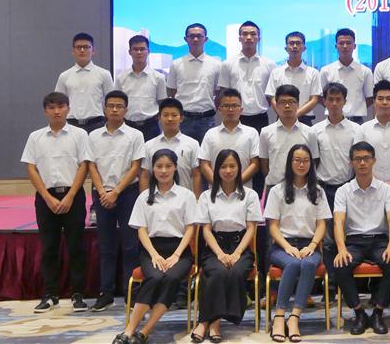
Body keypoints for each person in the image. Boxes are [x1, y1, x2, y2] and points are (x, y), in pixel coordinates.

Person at [115, 149, 199, 344]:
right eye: (159, 166)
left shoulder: (186, 196)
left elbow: (190, 229)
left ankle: (144, 331)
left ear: (175, 168)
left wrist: (176, 255)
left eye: (168, 166)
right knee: (154, 277)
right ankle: (128, 331)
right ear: (152, 169)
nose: (163, 170)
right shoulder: (144, 197)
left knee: (171, 278)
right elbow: (141, 230)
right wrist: (153, 254)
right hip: (151, 250)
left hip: (179, 251)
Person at [21, 91, 93, 313]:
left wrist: (70, 196)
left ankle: (78, 294)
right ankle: (50, 294)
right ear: (45, 111)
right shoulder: (35, 137)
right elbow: (31, 168)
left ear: (68, 109)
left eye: (61, 106)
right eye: (52, 107)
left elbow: (84, 165)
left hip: (73, 196)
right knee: (49, 247)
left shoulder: (79, 135)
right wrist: (47, 197)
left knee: (76, 246)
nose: (57, 111)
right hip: (46, 198)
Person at [192, 149, 264, 342]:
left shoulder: (250, 195)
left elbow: (251, 229)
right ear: (216, 170)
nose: (228, 170)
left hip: (241, 246)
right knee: (217, 272)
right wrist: (220, 254)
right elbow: (206, 230)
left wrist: (237, 253)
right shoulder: (207, 196)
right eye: (223, 166)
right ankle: (211, 324)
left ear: (239, 168)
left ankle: (206, 322)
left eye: (232, 166)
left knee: (235, 272)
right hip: (214, 246)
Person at [262, 144, 331, 343]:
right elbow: (272, 226)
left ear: (311, 164)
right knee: (292, 263)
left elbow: (321, 224)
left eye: (306, 161)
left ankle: (294, 318)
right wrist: (287, 247)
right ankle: (279, 317)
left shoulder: (318, 191)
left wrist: (312, 246)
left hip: (309, 244)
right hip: (282, 246)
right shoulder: (277, 190)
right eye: (297, 160)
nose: (302, 164)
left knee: (308, 264)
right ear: (290, 163)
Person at [332, 142, 390, 335]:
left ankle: (378, 312)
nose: (362, 163)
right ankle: (359, 313)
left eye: (366, 159)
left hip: (380, 240)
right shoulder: (343, 191)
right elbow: (338, 222)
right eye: (357, 159)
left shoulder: (386, 189)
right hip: (354, 241)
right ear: (351, 162)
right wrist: (341, 249)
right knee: (340, 265)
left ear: (373, 161)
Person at [87, 90, 145, 312]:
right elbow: (91, 165)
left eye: (119, 106)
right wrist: (103, 191)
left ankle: (132, 293)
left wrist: (116, 191)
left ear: (126, 109)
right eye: (110, 105)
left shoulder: (135, 135)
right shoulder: (93, 136)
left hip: (127, 194)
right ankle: (106, 293)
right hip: (102, 194)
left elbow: (136, 167)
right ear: (104, 109)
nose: (114, 110)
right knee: (106, 246)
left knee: (130, 245)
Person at [166, 23, 221, 143]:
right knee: (182, 152)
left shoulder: (216, 64)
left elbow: (218, 93)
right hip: (183, 119)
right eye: (192, 36)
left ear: (206, 39)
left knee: (206, 153)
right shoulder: (176, 64)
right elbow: (173, 91)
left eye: (199, 36)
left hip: (207, 119)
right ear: (186, 39)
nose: (195, 39)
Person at [259, 85, 320, 192]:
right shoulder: (266, 132)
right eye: (282, 102)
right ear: (276, 105)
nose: (287, 106)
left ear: (298, 104)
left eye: (291, 102)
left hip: (301, 188)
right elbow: (264, 164)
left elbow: (314, 161)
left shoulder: (310, 132)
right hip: (274, 187)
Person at [219, 20, 276, 132]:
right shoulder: (228, 64)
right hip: (235, 117)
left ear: (259, 38)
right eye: (245, 34)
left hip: (261, 117)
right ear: (239, 38)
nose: (249, 37)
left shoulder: (269, 64)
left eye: (253, 34)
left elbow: (272, 94)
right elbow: (223, 92)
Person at [199, 88, 260, 189]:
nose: (230, 110)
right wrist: (218, 185)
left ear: (241, 109)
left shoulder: (251, 133)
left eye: (234, 106)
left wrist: (236, 184)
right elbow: (204, 164)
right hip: (215, 191)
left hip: (244, 190)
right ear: (220, 109)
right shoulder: (210, 134)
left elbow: (255, 163)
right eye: (226, 106)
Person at [312, 82, 360, 209]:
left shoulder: (356, 130)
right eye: (330, 99)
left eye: (338, 99)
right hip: (322, 188)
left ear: (345, 102)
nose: (334, 103)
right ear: (324, 101)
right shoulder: (315, 131)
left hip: (348, 187)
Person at [141, 98, 202, 196]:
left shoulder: (192, 144)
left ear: (181, 118)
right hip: (156, 199)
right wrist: (144, 199)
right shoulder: (149, 145)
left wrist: (197, 199)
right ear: (159, 118)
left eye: (174, 115)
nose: (170, 119)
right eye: (165, 115)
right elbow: (145, 176)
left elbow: (196, 175)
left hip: (184, 199)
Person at [55, 32, 114, 133]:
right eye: (78, 47)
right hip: (71, 125)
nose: (82, 50)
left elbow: (112, 102)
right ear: (73, 51)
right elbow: (58, 103)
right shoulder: (64, 76)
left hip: (97, 125)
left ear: (93, 50)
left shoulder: (104, 74)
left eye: (86, 47)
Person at [115, 34, 166, 141]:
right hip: (128, 126)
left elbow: (162, 103)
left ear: (148, 51)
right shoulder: (121, 78)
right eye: (135, 49)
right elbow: (118, 103)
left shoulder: (158, 77)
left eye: (142, 49)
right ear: (130, 52)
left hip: (151, 126)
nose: (139, 52)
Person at [319, 28, 374, 124]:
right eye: (341, 43)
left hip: (357, 121)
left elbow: (370, 97)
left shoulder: (365, 71)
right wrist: (334, 109)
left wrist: (357, 109)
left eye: (348, 43)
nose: (345, 46)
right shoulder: (326, 71)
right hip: (333, 120)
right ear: (336, 46)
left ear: (354, 46)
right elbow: (321, 97)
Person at [266, 32, 321, 126]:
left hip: (304, 119)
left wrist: (295, 115)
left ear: (304, 48)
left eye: (298, 43)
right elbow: (272, 98)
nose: (295, 46)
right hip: (281, 119)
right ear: (286, 48)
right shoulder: (276, 72)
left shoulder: (313, 73)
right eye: (291, 43)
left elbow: (314, 99)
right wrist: (282, 114)